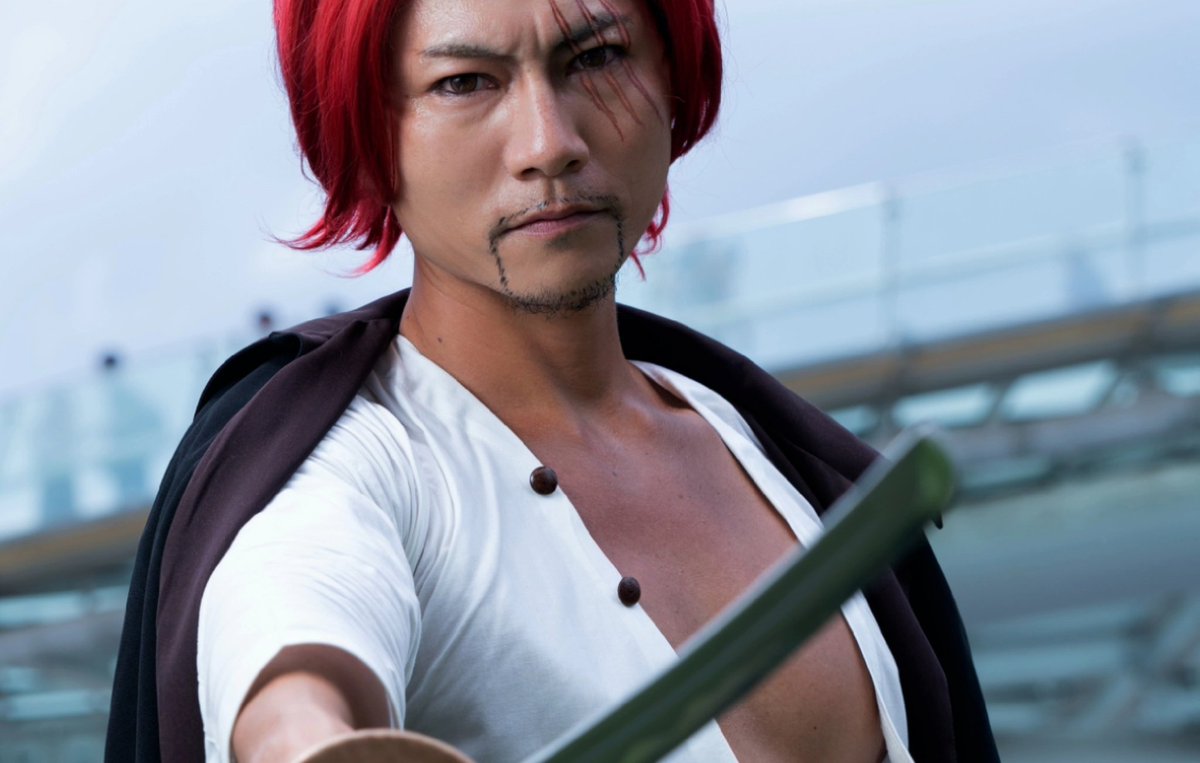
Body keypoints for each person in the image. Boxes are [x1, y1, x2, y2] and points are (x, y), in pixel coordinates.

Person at [106, 0, 998, 761]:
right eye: (465, 82)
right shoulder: (352, 471)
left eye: (597, 58)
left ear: (672, 77)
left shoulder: (777, 453)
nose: (551, 143)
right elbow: (293, 656)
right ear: (368, 133)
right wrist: (309, 738)